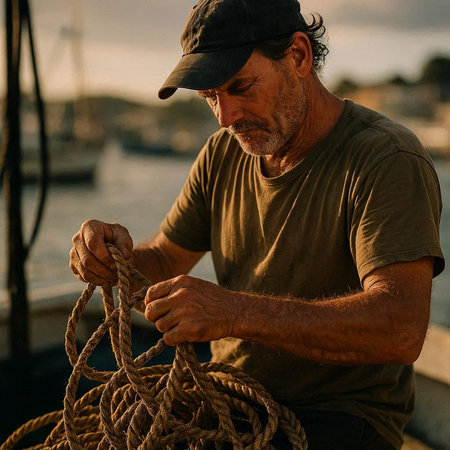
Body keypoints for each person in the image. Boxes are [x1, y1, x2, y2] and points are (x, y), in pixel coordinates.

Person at [69, 0, 445, 448]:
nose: (226, 118)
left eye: (241, 87)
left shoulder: (385, 159)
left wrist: (233, 312)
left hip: (338, 419)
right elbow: (167, 258)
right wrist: (112, 259)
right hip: (229, 399)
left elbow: (399, 328)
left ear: (299, 56)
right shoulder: (222, 154)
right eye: (211, 98)